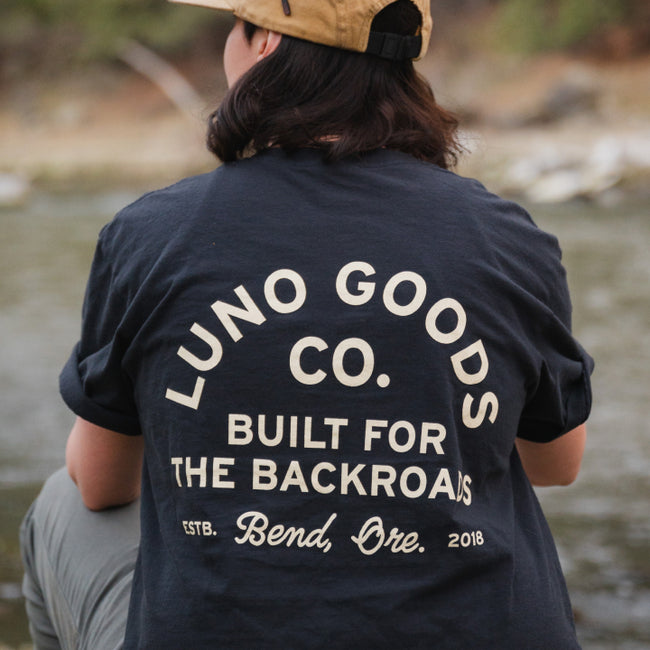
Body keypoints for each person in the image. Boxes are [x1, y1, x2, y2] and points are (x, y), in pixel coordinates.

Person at [20, 0, 594, 648]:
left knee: (59, 507)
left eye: (232, 26)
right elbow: (556, 463)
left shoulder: (151, 233)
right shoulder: (508, 241)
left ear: (264, 42)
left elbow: (99, 484)